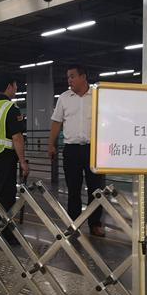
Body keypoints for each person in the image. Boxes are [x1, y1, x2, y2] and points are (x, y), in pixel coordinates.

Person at [48, 64, 105, 237]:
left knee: (96, 189)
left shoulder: (97, 95)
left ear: (83, 77)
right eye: (68, 77)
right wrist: (51, 144)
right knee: (73, 189)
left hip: (94, 149)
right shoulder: (64, 98)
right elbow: (57, 122)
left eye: (72, 76)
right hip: (71, 150)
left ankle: (95, 224)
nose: (69, 80)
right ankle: (74, 223)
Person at [0, 74, 29, 245]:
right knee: (6, 196)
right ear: (9, 86)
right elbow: (17, 138)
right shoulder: (11, 108)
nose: (16, 88)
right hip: (5, 157)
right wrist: (23, 161)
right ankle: (6, 234)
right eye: (15, 85)